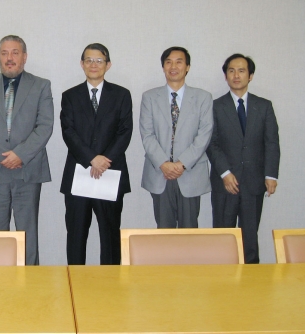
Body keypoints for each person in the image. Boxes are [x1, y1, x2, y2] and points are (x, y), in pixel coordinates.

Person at [0, 35, 54, 265]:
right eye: (4, 53)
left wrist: (21, 155)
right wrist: (1, 158)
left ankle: (30, 287)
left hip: (28, 170)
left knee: (28, 235)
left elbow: (45, 126)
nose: (9, 58)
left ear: (24, 57)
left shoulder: (41, 86)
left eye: (15, 53)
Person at [60, 43, 132, 265]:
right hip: (79, 172)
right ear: (82, 64)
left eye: (99, 60)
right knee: (76, 235)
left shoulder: (121, 95)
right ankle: (75, 283)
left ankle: (110, 287)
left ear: (108, 65)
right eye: (89, 60)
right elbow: (68, 132)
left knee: (110, 235)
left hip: (110, 173)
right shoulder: (70, 96)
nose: (94, 64)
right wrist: (92, 158)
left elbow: (124, 132)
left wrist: (103, 160)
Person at [207, 54, 280, 263]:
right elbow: (211, 144)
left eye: (241, 70)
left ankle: (251, 287)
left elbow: (272, 143)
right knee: (223, 237)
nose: (236, 75)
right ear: (225, 76)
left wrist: (270, 175)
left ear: (251, 76)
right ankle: (223, 287)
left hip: (254, 182)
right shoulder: (215, 106)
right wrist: (225, 173)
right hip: (224, 183)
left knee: (250, 238)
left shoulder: (264, 106)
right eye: (231, 70)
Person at [140, 46, 213, 228]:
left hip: (190, 172)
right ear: (163, 67)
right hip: (159, 173)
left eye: (179, 62)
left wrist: (181, 164)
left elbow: (204, 135)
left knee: (189, 232)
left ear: (187, 67)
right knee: (164, 231)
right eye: (168, 62)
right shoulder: (149, 97)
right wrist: (164, 164)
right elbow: (147, 134)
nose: (174, 66)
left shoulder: (203, 97)